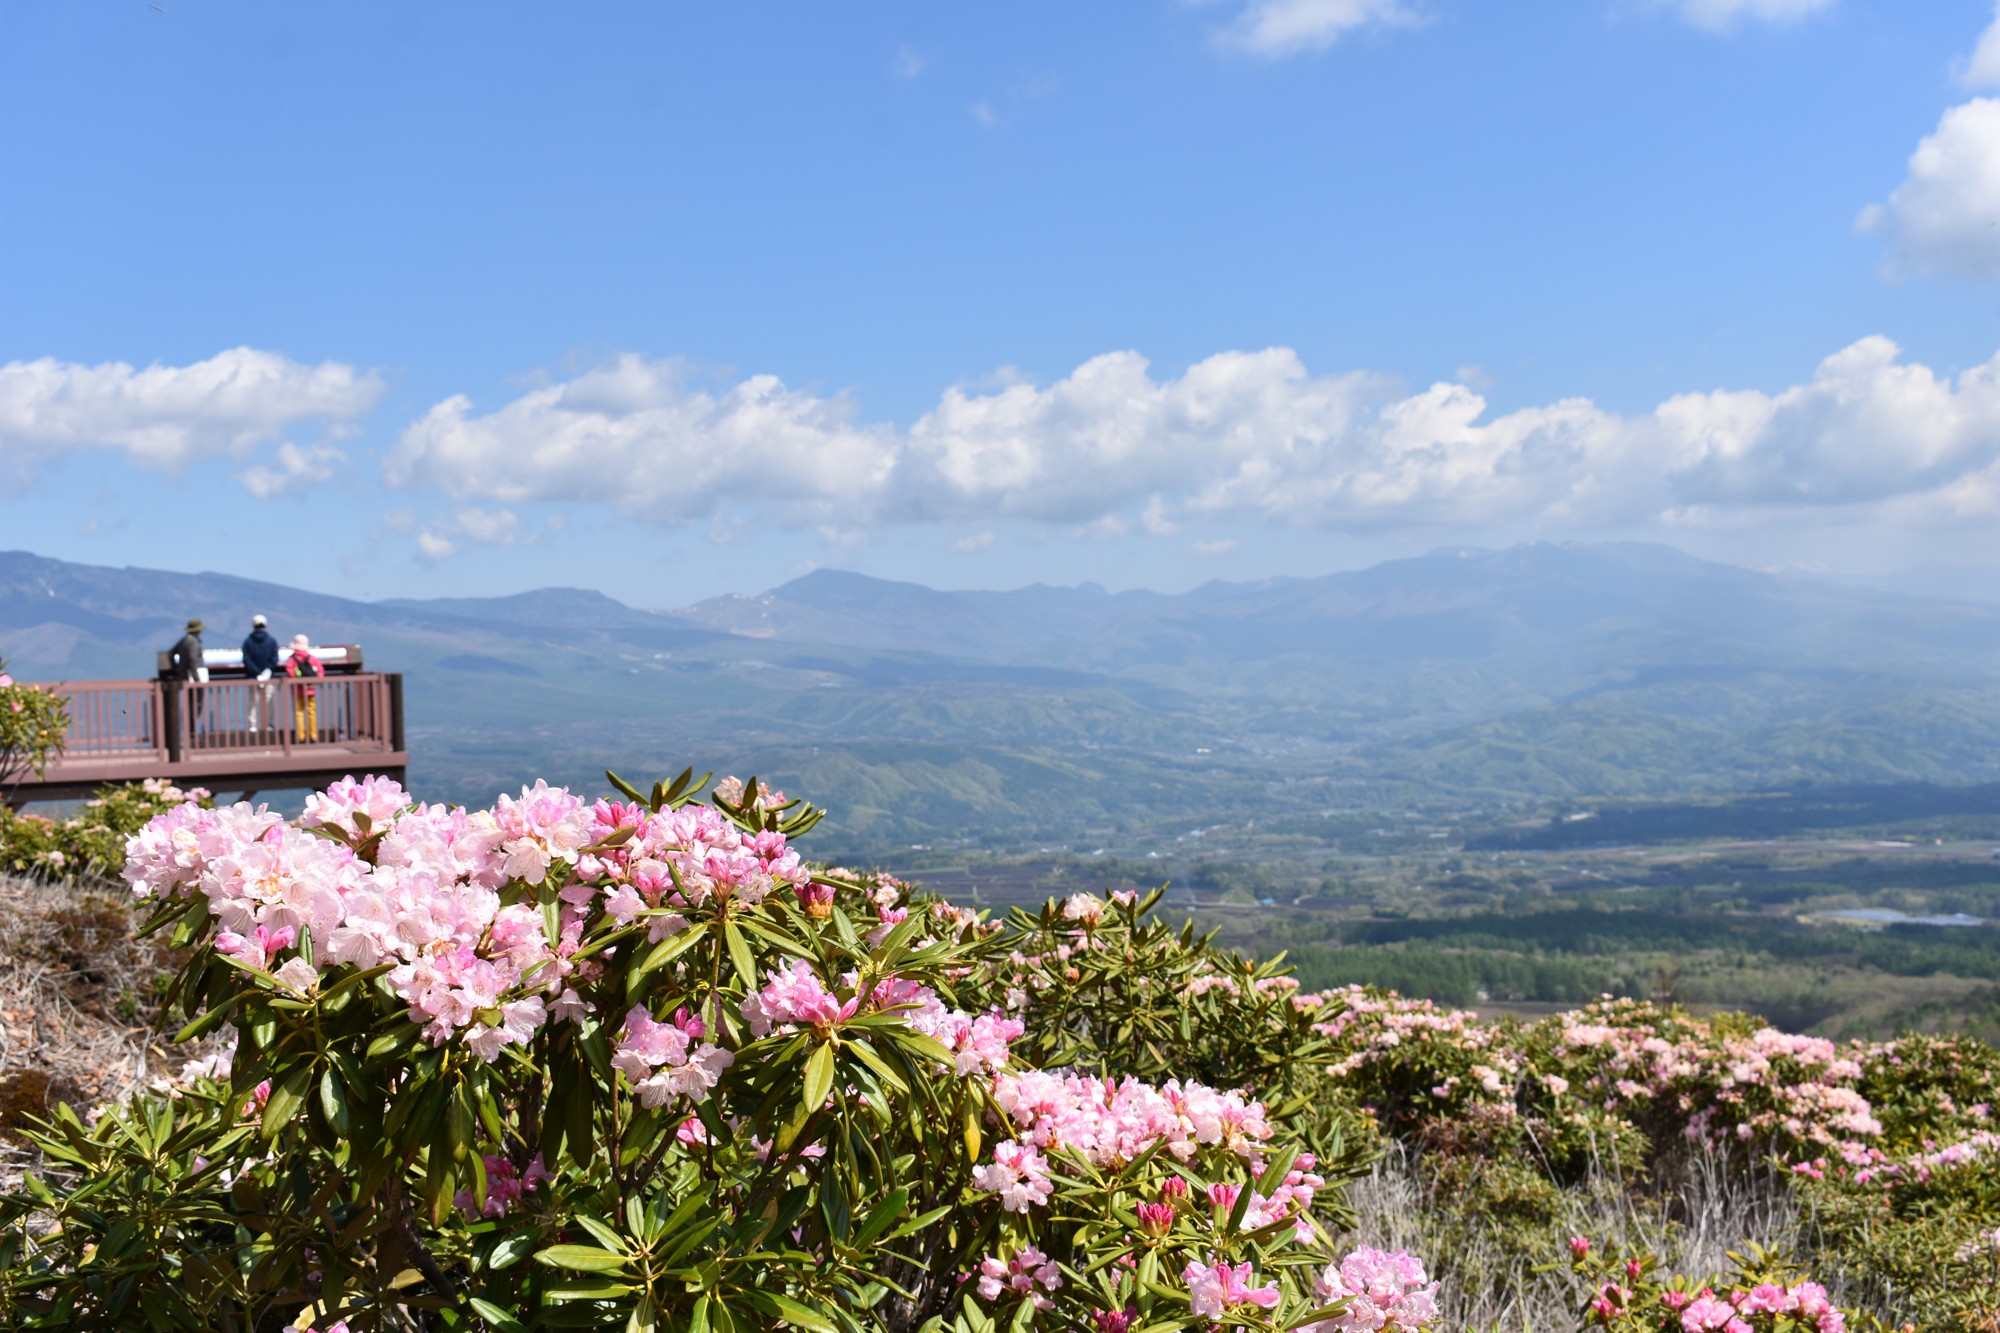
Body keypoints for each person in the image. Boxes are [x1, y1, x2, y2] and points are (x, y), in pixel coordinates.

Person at [241, 614, 280, 734]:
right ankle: (270, 724)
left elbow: (246, 659)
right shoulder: (272, 641)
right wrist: (267, 671)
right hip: (268, 677)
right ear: (265, 625)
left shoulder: (247, 642)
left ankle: (252, 725)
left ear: (253, 625)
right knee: (269, 700)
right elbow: (274, 658)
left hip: (252, 677)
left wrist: (256, 672)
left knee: (252, 701)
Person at [284, 633, 325, 743]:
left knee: (299, 713)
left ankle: (300, 737)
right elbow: (320, 671)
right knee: (312, 712)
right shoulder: (312, 659)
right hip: (311, 690)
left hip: (297, 691)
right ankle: (313, 736)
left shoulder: (292, 660)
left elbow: (290, 672)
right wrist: (313, 683)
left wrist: (299, 681)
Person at [169, 617, 208, 731]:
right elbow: (193, 659)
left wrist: (176, 668)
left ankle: (190, 728)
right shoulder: (193, 642)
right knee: (196, 703)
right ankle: (192, 729)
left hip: (184, 676)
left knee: (189, 703)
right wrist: (197, 678)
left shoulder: (184, 640)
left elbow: (171, 653)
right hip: (194, 677)